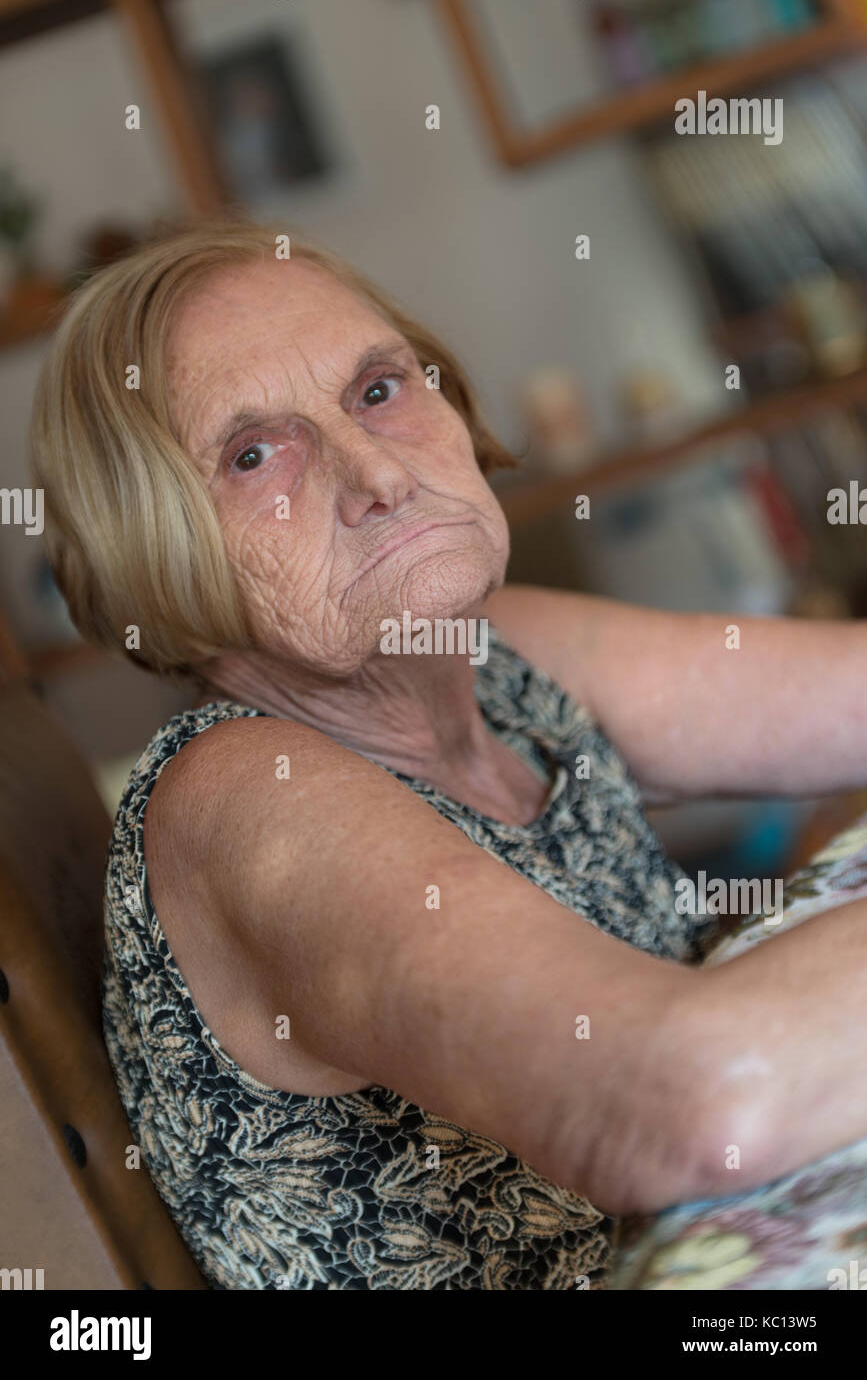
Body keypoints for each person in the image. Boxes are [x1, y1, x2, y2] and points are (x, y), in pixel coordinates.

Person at [28, 216, 867, 1289]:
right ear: (154, 549)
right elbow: (695, 1099)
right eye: (252, 455)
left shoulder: (493, 652)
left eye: (379, 389)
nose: (376, 471)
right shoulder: (242, 796)